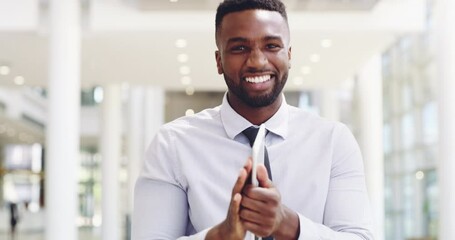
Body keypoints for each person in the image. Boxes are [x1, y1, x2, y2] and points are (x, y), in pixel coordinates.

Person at [132, 0, 374, 239]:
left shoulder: (333, 142)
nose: (257, 61)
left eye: (271, 46)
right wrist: (221, 236)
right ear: (219, 61)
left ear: (289, 55)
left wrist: (288, 224)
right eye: (239, 48)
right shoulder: (172, 144)